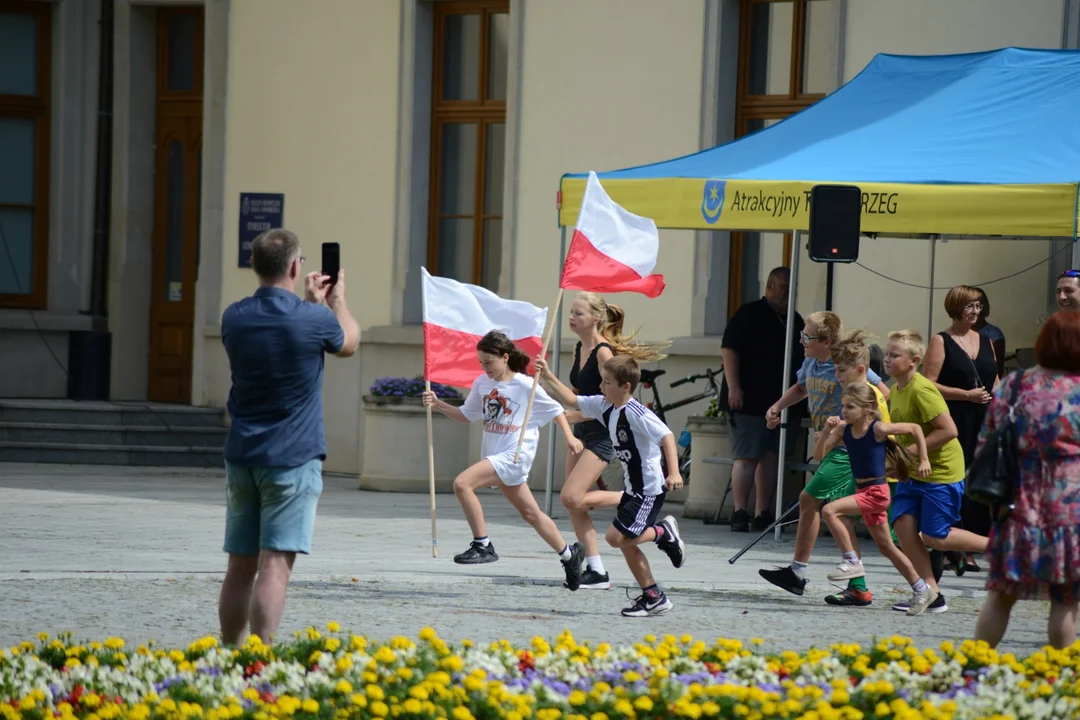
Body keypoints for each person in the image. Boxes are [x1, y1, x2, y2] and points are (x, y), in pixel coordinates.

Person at [218, 228, 360, 645]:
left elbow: (280, 333)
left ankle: (230, 654)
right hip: (292, 457)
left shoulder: (234, 316)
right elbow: (348, 343)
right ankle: (260, 661)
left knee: (239, 566)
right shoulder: (313, 318)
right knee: (275, 565)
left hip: (242, 454)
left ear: (253, 266)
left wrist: (310, 308)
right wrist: (336, 302)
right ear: (296, 267)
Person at [421, 330, 588, 590]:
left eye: (489, 362)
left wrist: (569, 438)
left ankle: (483, 544)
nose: (485, 367)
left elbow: (556, 410)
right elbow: (467, 415)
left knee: (462, 484)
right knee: (532, 514)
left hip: (515, 454)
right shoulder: (481, 383)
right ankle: (569, 555)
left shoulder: (523, 384)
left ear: (505, 357)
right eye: (481, 363)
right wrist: (439, 404)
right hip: (495, 454)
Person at [534, 292, 666, 590]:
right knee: (573, 504)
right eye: (570, 312)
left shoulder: (604, 352)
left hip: (604, 435)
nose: (571, 317)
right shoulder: (579, 347)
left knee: (572, 496)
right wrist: (561, 406)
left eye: (578, 313)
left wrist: (575, 411)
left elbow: (617, 399)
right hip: (583, 432)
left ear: (595, 318)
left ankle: (632, 497)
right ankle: (596, 569)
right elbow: (577, 393)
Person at [539, 354, 687, 617]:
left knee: (615, 538)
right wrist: (548, 374)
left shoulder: (637, 412)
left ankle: (663, 533)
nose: (600, 387)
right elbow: (572, 400)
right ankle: (653, 596)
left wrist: (674, 471)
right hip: (632, 489)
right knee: (626, 542)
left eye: (607, 382)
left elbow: (667, 435)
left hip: (648, 490)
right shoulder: (605, 405)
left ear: (625, 387)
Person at [758, 313, 890, 607]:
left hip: (845, 450)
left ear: (827, 342)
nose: (801, 341)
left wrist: (861, 431)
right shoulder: (811, 363)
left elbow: (882, 395)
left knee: (809, 499)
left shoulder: (848, 366)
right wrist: (777, 406)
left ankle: (798, 571)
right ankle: (858, 587)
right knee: (845, 518)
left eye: (807, 337)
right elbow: (801, 388)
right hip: (830, 445)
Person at [973, 311, 1080, 650]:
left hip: (1018, 504)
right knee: (1066, 600)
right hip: (1071, 511)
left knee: (1001, 595)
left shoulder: (1016, 385)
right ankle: (1062, 683)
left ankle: (974, 668)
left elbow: (985, 443)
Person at [883, 329, 989, 615]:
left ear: (914, 361)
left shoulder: (922, 390)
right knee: (903, 527)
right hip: (913, 473)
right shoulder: (895, 388)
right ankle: (932, 594)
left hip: (941, 472)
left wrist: (910, 454)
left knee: (934, 537)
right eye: (887, 354)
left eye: (895, 355)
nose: (887, 359)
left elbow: (949, 431)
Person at [814, 384, 937, 616]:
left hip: (877, 492)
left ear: (868, 408)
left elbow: (914, 428)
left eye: (850, 407)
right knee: (886, 547)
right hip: (863, 491)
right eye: (842, 406)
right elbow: (819, 455)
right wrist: (826, 432)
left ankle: (851, 561)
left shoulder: (877, 428)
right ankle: (922, 589)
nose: (844, 411)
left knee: (830, 511)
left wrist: (923, 459)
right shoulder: (843, 430)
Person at [720, 266, 805, 532]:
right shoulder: (749, 314)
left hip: (782, 401)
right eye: (783, 287)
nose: (788, 293)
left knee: (771, 456)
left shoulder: (796, 319)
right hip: (749, 398)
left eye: (792, 289)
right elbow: (729, 349)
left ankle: (762, 513)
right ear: (769, 286)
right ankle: (739, 511)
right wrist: (734, 387)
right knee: (747, 456)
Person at [923, 286, 998, 574]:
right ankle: (952, 548)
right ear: (955, 307)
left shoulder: (986, 339)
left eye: (978, 306)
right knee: (956, 482)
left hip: (984, 419)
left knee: (979, 483)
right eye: (969, 306)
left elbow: (996, 380)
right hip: (954, 419)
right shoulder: (941, 340)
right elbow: (929, 383)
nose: (975, 311)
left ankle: (970, 548)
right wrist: (966, 395)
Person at [973, 287, 1006, 380]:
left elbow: (997, 371)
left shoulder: (994, 334)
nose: (974, 311)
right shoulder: (959, 333)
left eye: (979, 306)